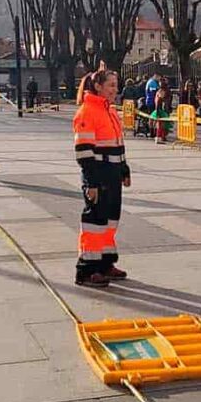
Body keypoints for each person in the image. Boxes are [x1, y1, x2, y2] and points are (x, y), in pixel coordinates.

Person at [72, 66, 131, 288]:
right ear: (98, 87)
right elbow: (84, 152)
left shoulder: (110, 111)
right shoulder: (87, 112)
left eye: (116, 85)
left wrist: (124, 169)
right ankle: (86, 270)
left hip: (113, 175)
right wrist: (92, 183)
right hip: (98, 176)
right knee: (94, 223)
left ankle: (105, 263)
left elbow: (118, 143)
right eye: (111, 86)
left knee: (110, 222)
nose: (115, 90)